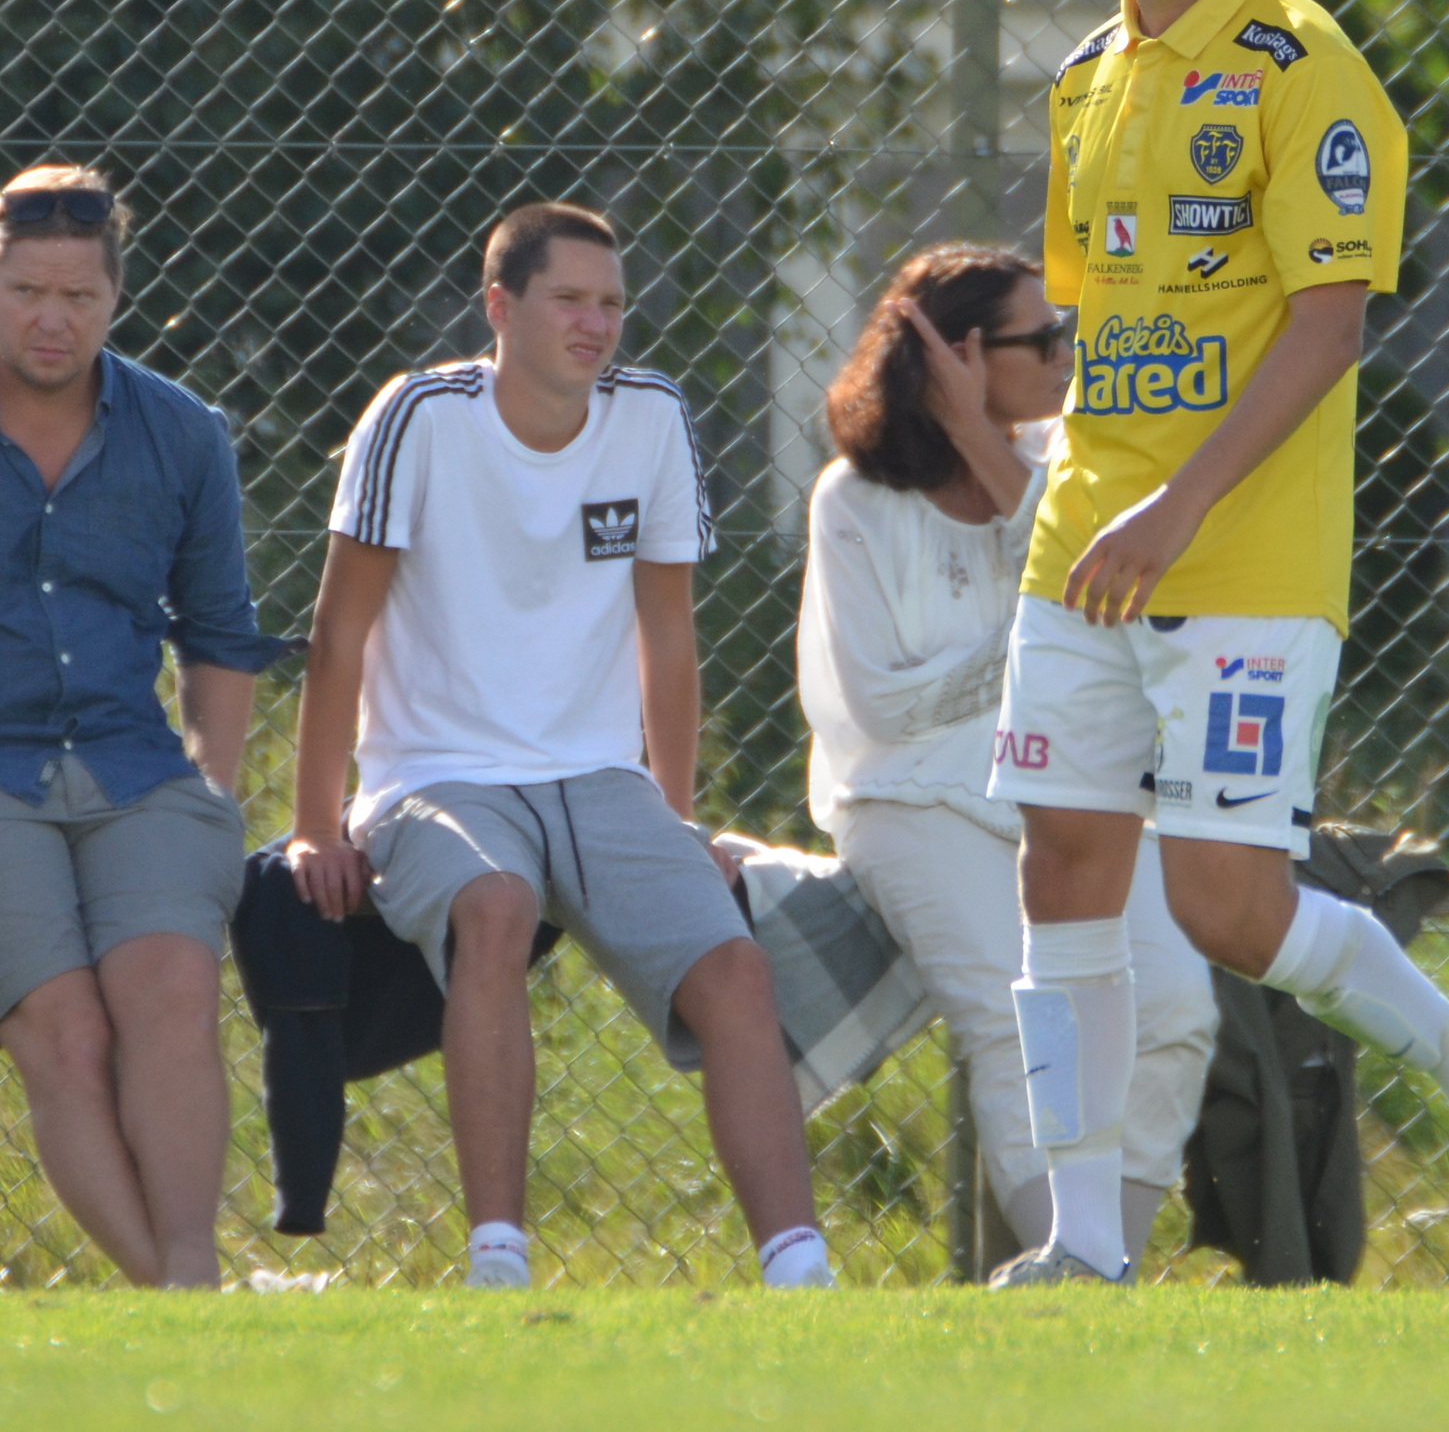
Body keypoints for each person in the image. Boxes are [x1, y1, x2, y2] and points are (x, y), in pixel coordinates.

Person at [986, 0, 1449, 1289]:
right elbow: (1098, 329)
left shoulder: (1308, 68)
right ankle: (1087, 1243)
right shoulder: (1085, 81)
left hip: (1238, 557)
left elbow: (1328, 326)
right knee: (1059, 865)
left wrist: (1176, 507)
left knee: (1231, 905)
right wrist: (1073, 492)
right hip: (1084, 540)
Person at [285, 201, 832, 1290]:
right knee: (494, 907)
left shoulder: (652, 415)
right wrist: (313, 827)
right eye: (569, 300)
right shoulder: (418, 417)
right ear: (501, 307)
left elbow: (666, 637)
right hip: (438, 778)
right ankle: (499, 1256)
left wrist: (675, 821)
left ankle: (798, 1269)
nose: (596, 324)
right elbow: (336, 636)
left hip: (600, 781)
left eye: (612, 304)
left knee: (734, 968)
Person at [798, 244, 1216, 1270]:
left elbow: (1102, 587)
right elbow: (883, 705)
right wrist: (1048, 643)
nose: (1067, 355)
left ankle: (1091, 1263)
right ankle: (1083, 1265)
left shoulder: (1066, 468)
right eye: (1042, 340)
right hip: (908, 802)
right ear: (962, 356)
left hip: (1059, 783)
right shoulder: (851, 501)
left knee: (1176, 1005)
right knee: (1011, 1015)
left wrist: (981, 443)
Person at [0, 164, 288, 1287]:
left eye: (78, 297)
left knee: (170, 989)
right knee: (62, 1031)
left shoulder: (183, 432)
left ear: (116, 299)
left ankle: (185, 1288)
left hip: (134, 765)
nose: (50, 319)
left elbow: (221, 632)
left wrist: (212, 795)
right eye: (26, 291)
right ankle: (192, 1299)